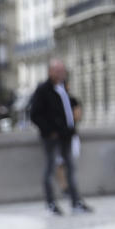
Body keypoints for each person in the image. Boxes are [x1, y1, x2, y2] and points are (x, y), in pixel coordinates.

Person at [29, 59, 92, 215]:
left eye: (63, 71)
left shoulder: (63, 87)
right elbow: (34, 114)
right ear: (51, 72)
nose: (62, 73)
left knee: (70, 168)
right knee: (50, 170)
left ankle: (75, 202)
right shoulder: (43, 90)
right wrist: (50, 131)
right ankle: (51, 204)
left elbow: (68, 108)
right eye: (58, 71)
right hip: (52, 137)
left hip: (67, 135)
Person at [54, 96, 82, 197]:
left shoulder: (71, 100)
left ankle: (68, 188)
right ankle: (66, 188)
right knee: (62, 163)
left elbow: (78, 116)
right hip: (61, 137)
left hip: (68, 135)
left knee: (66, 163)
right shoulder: (55, 100)